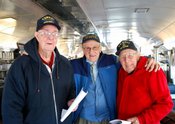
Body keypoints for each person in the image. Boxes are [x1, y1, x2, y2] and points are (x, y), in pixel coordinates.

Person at [2, 15, 75, 124]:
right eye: (45, 33)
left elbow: (71, 91)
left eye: (54, 33)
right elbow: (11, 107)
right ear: (37, 36)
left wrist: (71, 101)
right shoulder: (21, 66)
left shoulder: (65, 64)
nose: (50, 37)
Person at [71, 34, 160, 124]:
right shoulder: (73, 65)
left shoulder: (112, 61)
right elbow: (66, 87)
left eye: (95, 47)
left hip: (107, 117)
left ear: (100, 48)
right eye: (87, 48)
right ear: (83, 49)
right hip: (84, 117)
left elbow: (131, 60)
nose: (91, 51)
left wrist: (148, 60)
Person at [116, 40, 173, 124]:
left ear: (138, 55)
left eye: (130, 56)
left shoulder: (152, 71)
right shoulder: (121, 72)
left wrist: (141, 119)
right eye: (122, 57)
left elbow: (166, 104)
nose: (127, 61)